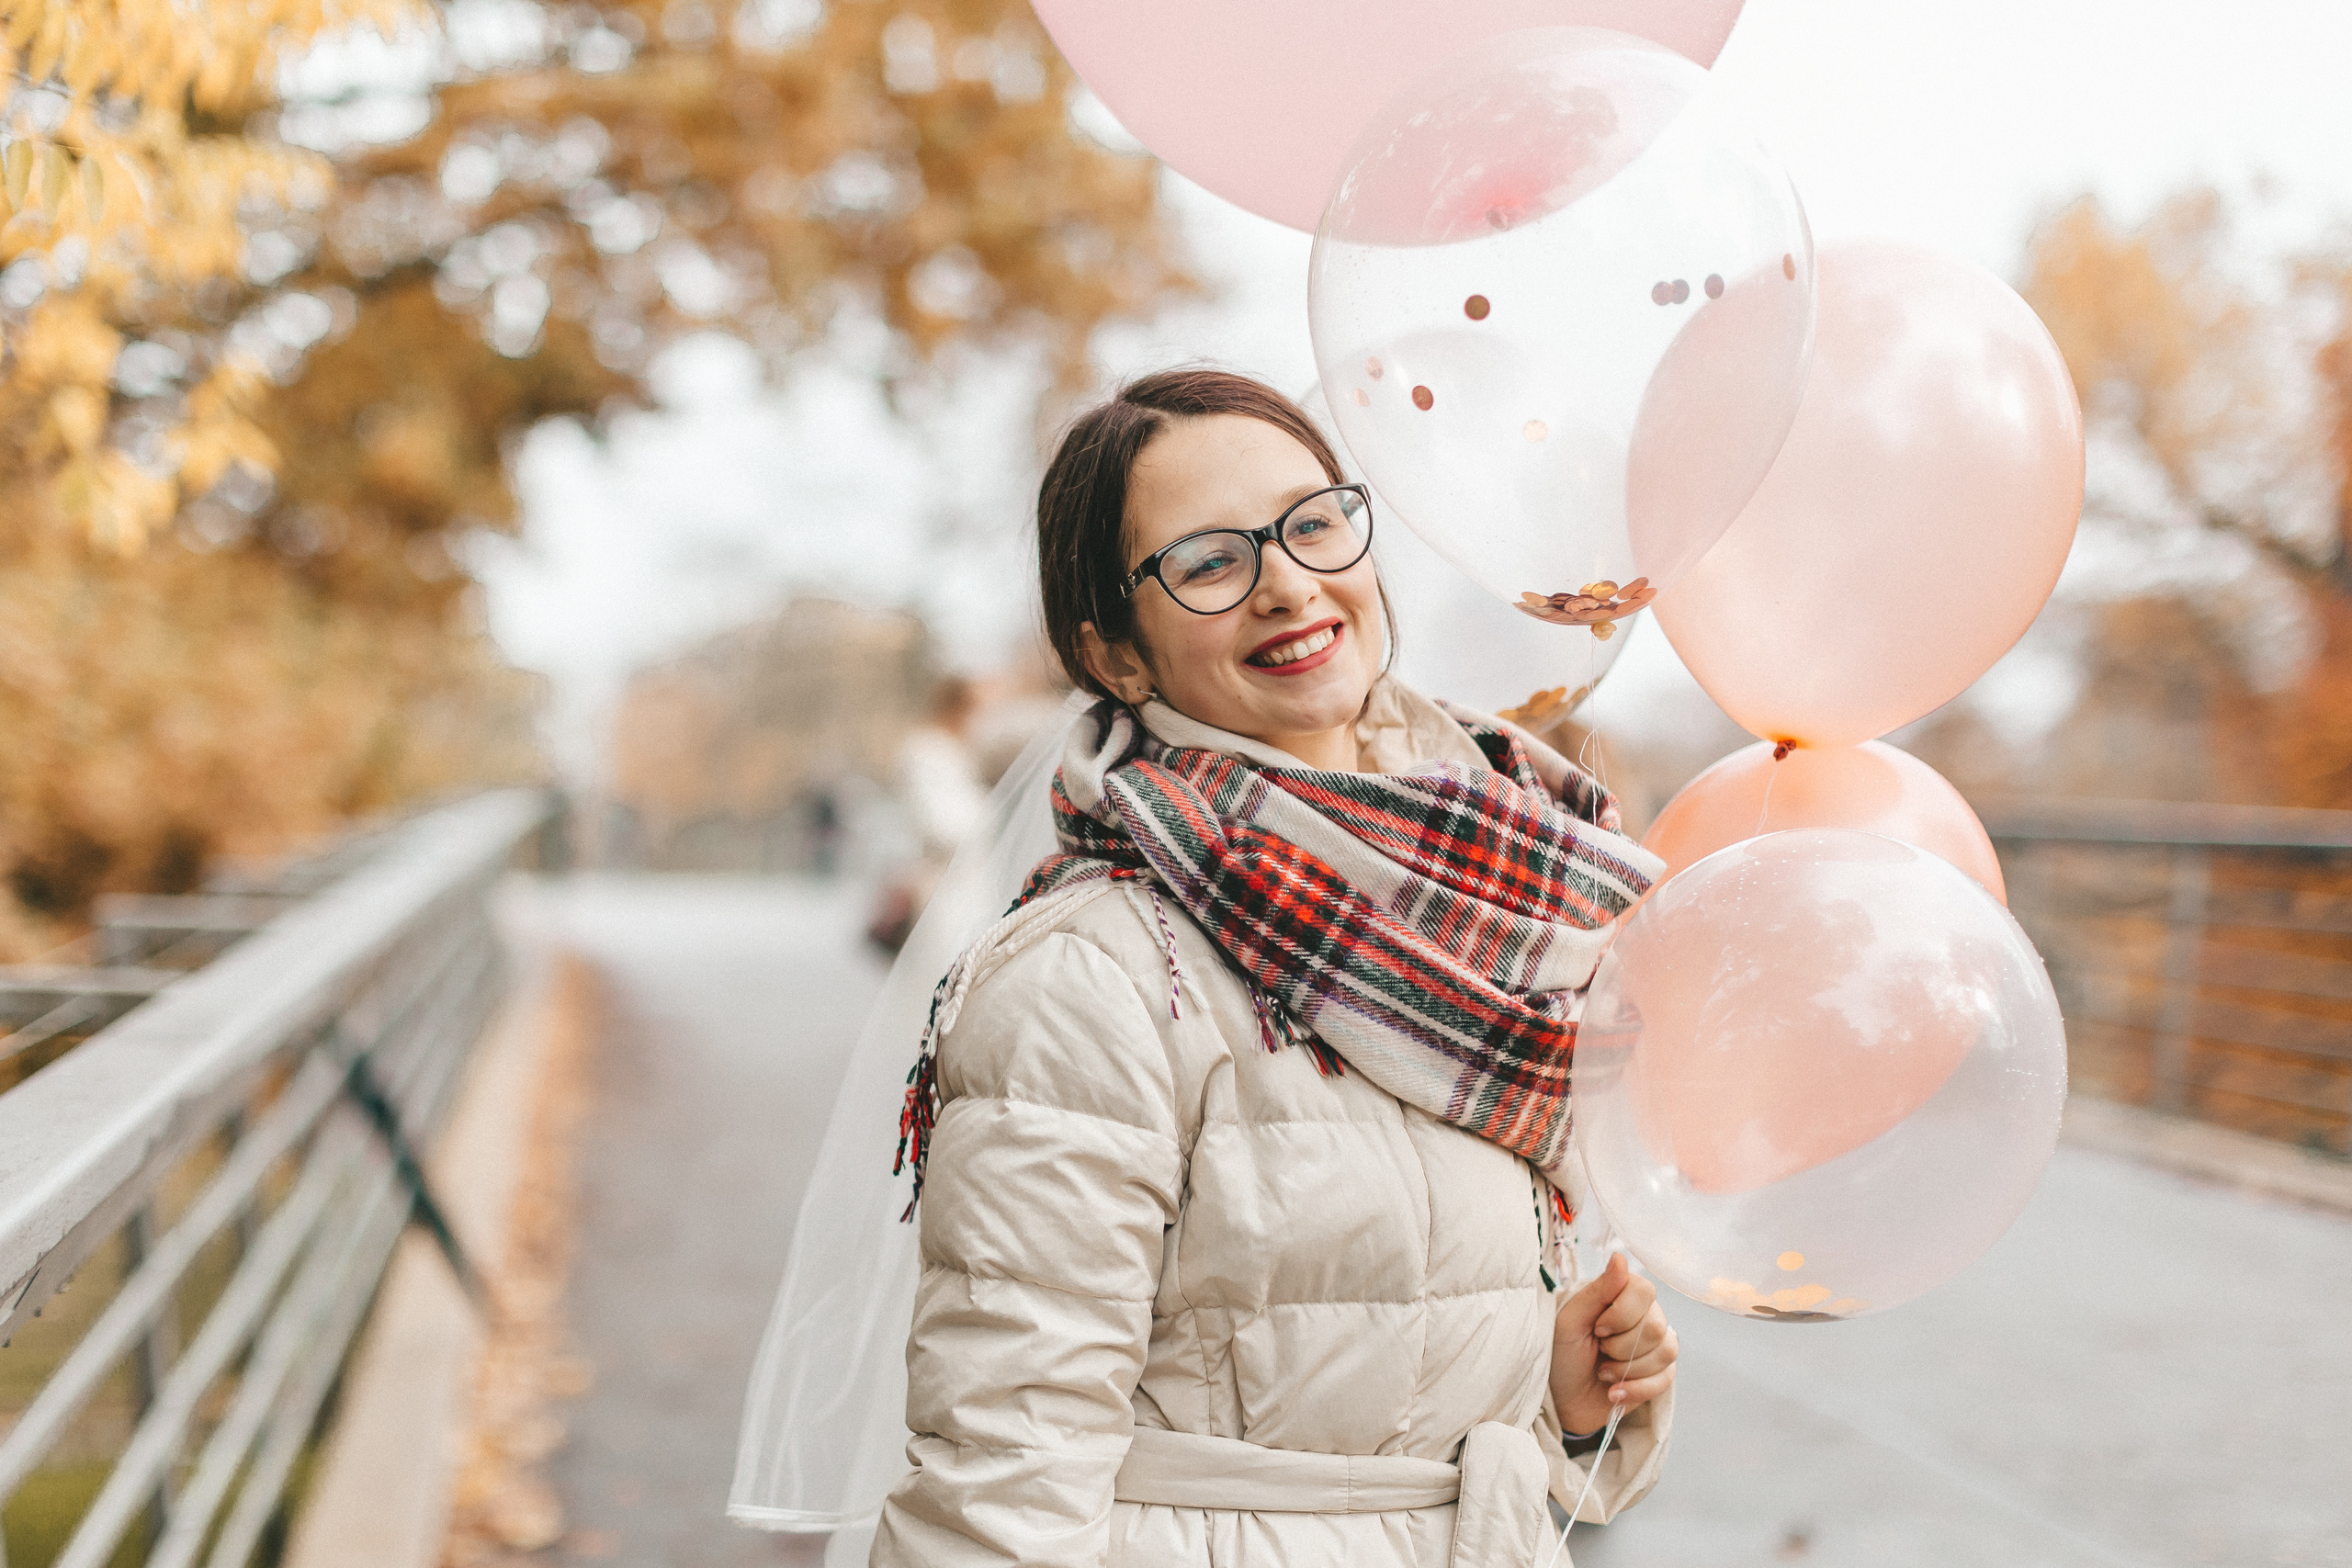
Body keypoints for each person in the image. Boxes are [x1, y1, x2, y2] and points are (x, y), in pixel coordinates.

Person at [873, 369, 1677, 1568]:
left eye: (1312, 523)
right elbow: (1004, 1481)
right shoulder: (1085, 984)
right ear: (1114, 651)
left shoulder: (1492, 912)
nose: (1292, 584)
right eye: (1209, 561)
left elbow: (1365, 1358)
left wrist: (1546, 1390)